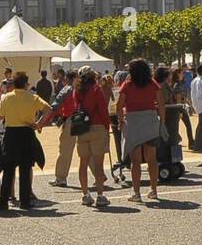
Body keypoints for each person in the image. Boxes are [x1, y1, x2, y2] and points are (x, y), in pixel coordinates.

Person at [0, 71, 50, 212]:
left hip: (11, 134)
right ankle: (25, 201)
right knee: (25, 169)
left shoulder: (7, 97)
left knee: (8, 170)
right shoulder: (32, 97)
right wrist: (38, 124)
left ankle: (3, 201)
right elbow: (48, 109)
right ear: (25, 84)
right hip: (26, 133)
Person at [117, 59, 165, 204]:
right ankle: (154, 190)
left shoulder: (127, 85)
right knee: (152, 159)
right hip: (150, 121)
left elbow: (119, 106)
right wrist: (161, 122)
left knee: (135, 161)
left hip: (133, 122)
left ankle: (137, 192)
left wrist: (120, 121)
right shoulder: (152, 84)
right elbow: (161, 104)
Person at [71, 67, 112, 207]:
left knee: (83, 163)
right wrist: (107, 126)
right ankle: (100, 195)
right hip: (97, 126)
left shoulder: (77, 91)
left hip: (82, 128)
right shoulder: (96, 89)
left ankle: (85, 194)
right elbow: (102, 109)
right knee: (99, 164)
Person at [44, 69, 78, 188]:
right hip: (83, 119)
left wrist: (43, 121)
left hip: (70, 120)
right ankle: (99, 175)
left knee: (65, 150)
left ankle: (61, 177)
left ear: (66, 79)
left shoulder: (66, 89)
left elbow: (55, 106)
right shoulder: (82, 89)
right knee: (87, 149)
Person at [188, 64, 202, 152]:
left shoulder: (195, 80)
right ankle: (198, 145)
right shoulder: (201, 81)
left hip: (200, 105)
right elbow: (200, 94)